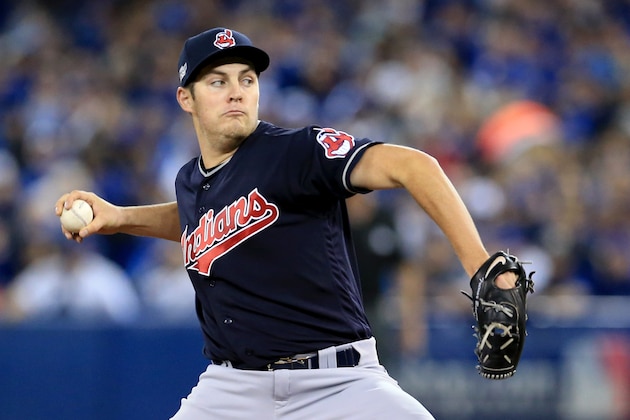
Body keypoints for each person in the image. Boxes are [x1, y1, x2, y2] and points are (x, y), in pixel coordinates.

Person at [55, 27, 517, 419]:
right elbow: (198, 219)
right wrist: (119, 218)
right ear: (185, 98)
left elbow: (415, 167)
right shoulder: (190, 181)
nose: (237, 90)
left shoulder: (297, 152)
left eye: (247, 78)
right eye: (217, 81)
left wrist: (480, 265)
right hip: (230, 390)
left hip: (339, 384)